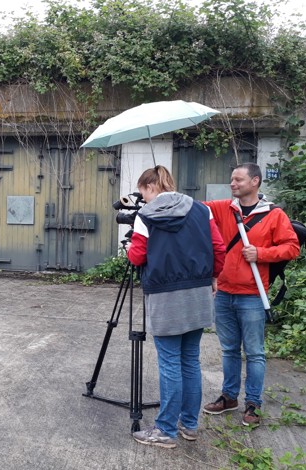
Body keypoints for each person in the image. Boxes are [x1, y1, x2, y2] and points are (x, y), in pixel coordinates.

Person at [126, 165, 226, 448]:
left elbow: (137, 256)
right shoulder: (201, 209)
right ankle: (189, 425)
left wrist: (129, 247)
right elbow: (218, 248)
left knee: (170, 362)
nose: (142, 198)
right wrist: (214, 276)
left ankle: (166, 430)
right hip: (198, 291)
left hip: (165, 296)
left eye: (143, 191)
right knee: (190, 360)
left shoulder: (145, 216)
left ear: (150, 187)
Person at [202, 162, 300, 426]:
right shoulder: (223, 208)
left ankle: (253, 404)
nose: (232, 184)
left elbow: (292, 247)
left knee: (255, 353)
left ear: (255, 181)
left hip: (253, 295)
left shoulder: (273, 215)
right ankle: (229, 397)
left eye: (238, 180)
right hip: (223, 293)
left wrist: (262, 253)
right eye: (232, 179)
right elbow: (193, 209)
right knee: (230, 350)